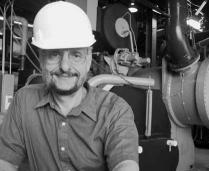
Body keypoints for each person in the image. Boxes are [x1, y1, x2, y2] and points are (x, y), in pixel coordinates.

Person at [0, 1, 139, 171]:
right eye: (54, 55)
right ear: (41, 59)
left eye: (76, 55)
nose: (65, 67)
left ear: (88, 60)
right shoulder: (23, 101)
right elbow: (5, 161)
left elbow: (125, 165)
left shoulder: (115, 110)